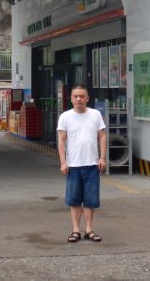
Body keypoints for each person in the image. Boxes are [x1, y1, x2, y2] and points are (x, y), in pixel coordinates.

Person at [57, 85, 106, 243]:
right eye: (76, 96)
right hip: (73, 166)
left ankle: (89, 230)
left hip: (92, 165)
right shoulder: (65, 117)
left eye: (82, 96)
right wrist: (63, 162)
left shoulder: (95, 114)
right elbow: (61, 140)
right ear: (71, 98)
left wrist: (102, 158)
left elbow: (102, 136)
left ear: (87, 98)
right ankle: (75, 230)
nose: (79, 99)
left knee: (90, 201)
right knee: (75, 200)